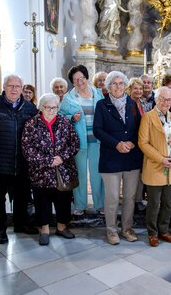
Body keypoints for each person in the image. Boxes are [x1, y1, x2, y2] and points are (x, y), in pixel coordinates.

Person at [0, 74, 38, 244]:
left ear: (22, 88)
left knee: (22, 196)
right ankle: (0, 229)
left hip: (22, 161)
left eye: (17, 86)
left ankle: (21, 224)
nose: (14, 89)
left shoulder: (30, 108)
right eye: (10, 86)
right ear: (4, 87)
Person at [21, 93, 80, 246]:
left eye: (54, 107)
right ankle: (45, 230)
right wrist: (48, 161)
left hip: (63, 170)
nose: (51, 110)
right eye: (47, 107)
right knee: (42, 202)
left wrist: (61, 158)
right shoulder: (31, 124)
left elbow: (74, 143)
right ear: (41, 108)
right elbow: (27, 149)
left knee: (63, 200)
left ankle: (61, 227)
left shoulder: (64, 122)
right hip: (40, 172)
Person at [93, 71, 143, 245]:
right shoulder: (101, 105)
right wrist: (117, 144)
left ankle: (127, 228)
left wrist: (132, 143)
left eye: (121, 83)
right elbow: (98, 130)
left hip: (131, 156)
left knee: (129, 197)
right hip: (111, 156)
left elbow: (140, 129)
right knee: (113, 197)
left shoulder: (132, 103)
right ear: (108, 86)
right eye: (114, 83)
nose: (118, 87)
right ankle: (112, 230)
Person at [138, 86, 171, 247]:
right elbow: (142, 143)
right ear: (156, 99)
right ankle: (152, 233)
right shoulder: (148, 117)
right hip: (155, 166)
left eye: (169, 99)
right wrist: (161, 159)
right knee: (154, 203)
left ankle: (164, 230)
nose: (166, 102)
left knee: (167, 202)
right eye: (163, 99)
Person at [59, 65, 105, 215]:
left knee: (97, 173)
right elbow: (60, 117)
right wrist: (72, 118)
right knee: (80, 174)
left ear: (86, 78)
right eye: (75, 80)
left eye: (82, 78)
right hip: (78, 143)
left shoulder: (98, 94)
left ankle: (100, 204)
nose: (79, 82)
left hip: (97, 141)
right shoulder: (69, 97)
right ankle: (80, 205)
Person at [125, 77, 147, 211]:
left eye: (140, 88)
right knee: (130, 174)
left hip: (141, 142)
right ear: (130, 90)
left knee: (139, 173)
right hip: (131, 143)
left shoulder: (144, 104)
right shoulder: (127, 103)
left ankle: (138, 199)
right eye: (135, 88)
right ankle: (130, 200)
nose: (138, 91)